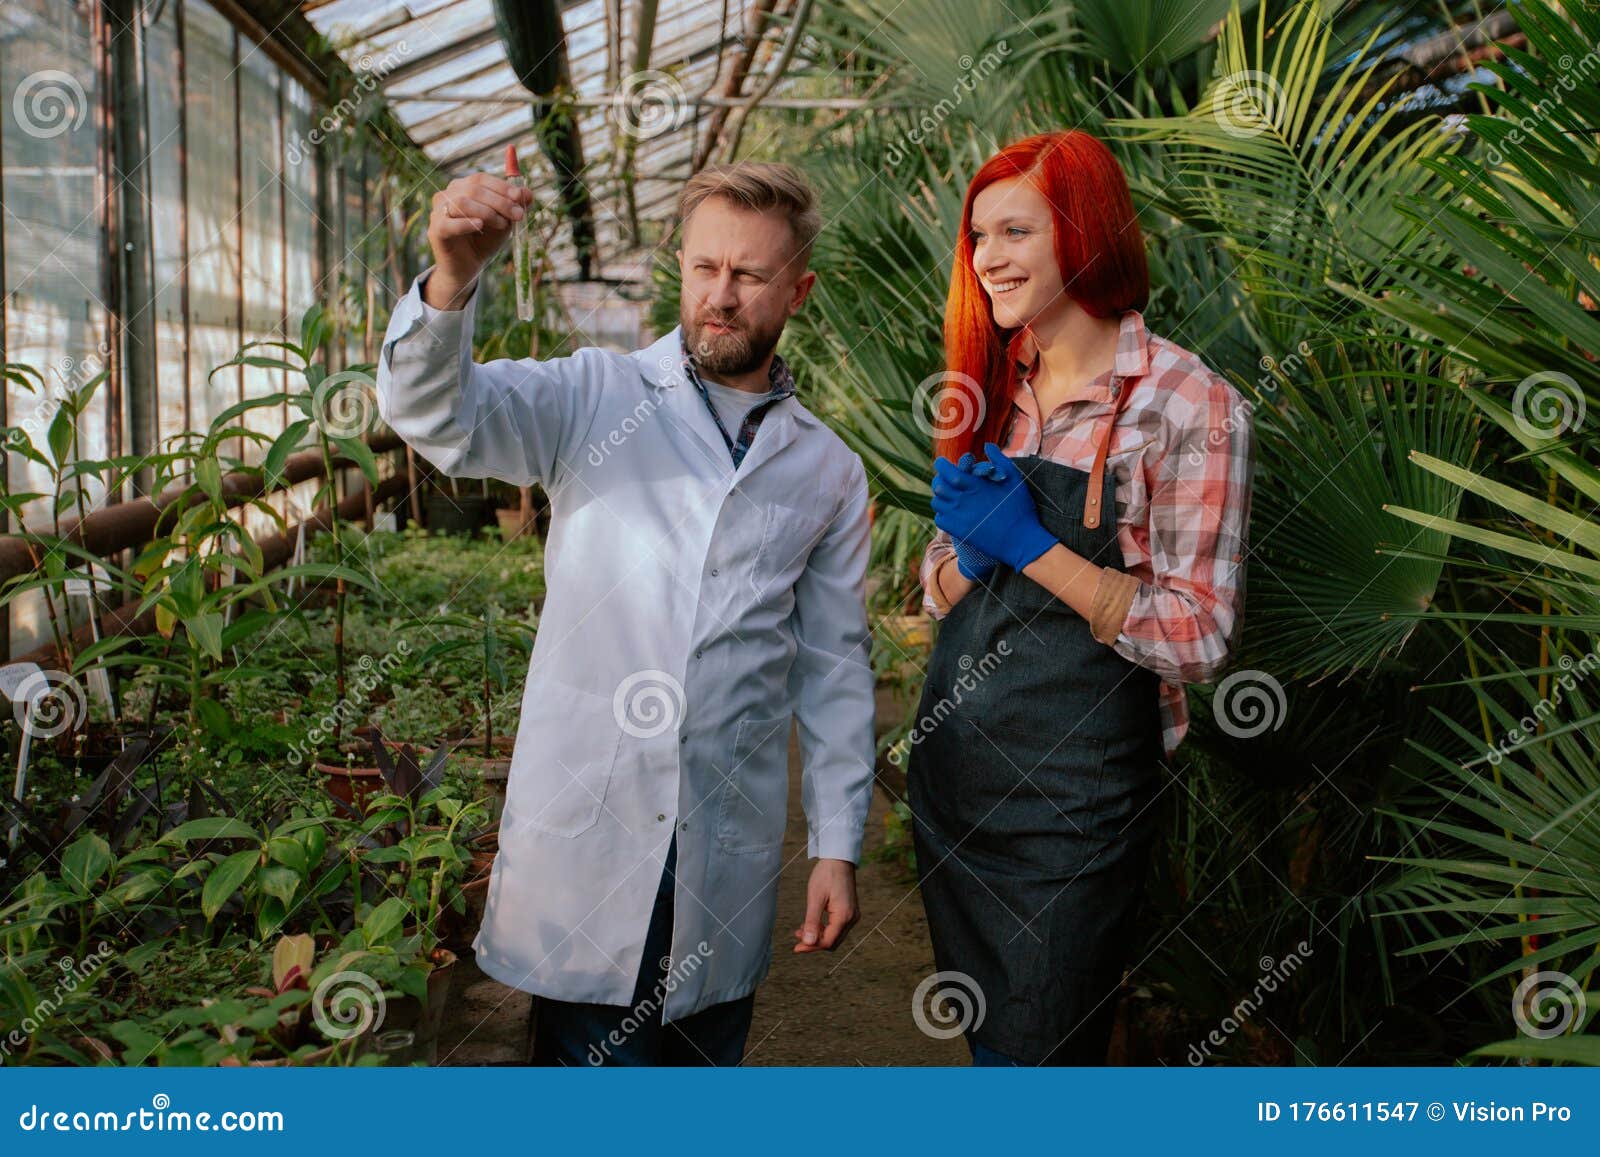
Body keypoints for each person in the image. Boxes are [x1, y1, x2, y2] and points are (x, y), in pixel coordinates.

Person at [375, 161, 874, 1065]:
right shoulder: (593, 396)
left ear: (799, 289)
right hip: (593, 831)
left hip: (720, 848)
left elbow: (835, 669)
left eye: (750, 276)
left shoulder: (827, 469)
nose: (720, 297)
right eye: (703, 269)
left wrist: (837, 843)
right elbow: (436, 415)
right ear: (680, 268)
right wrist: (451, 278)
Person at [905, 130, 1255, 1066]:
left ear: (1086, 232)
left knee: (1040, 1057)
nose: (987, 259)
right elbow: (937, 589)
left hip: (1072, 814)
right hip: (954, 794)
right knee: (995, 1057)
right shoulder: (989, 385)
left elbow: (1199, 637)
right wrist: (973, 559)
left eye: (1015, 231)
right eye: (978, 236)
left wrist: (1032, 545)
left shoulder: (1186, 404)